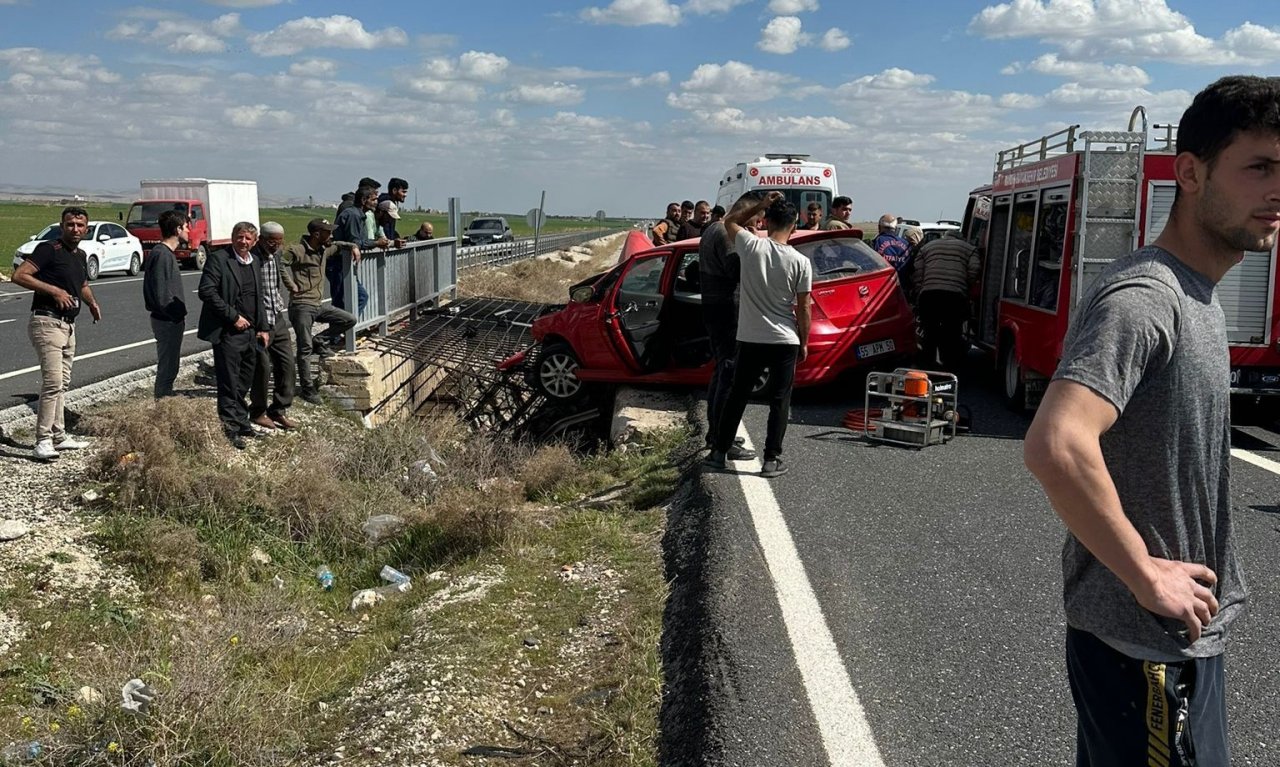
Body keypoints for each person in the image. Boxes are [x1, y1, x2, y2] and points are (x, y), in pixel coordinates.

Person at [1024, 74, 1280, 767]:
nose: (1277, 189)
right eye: (1259, 167)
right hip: (1145, 651)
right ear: (1190, 173)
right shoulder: (1146, 297)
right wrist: (1143, 573)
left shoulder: (1197, 292)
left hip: (1174, 642)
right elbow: (1056, 443)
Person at [705, 192, 812, 479]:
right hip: (784, 340)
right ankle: (771, 460)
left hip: (750, 337)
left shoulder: (751, 246)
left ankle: (718, 454)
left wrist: (760, 204)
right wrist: (805, 340)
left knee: (737, 396)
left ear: (766, 222)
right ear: (794, 226)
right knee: (779, 401)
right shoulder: (801, 262)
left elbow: (730, 221)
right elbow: (803, 307)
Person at [10, 206, 101, 460]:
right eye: (70, 224)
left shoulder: (80, 255)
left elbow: (82, 284)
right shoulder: (49, 250)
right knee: (52, 384)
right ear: (62, 226)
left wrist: (92, 303)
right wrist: (55, 291)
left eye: (80, 225)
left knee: (62, 384)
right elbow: (20, 275)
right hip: (46, 323)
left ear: (86, 228)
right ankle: (43, 441)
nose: (75, 229)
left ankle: (59, 436)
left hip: (68, 327)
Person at [197, 221, 273, 449]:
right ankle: (229, 428)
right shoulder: (219, 259)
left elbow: (258, 297)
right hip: (228, 332)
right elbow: (206, 291)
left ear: (255, 241)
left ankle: (242, 422)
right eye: (240, 237)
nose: (243, 242)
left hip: (251, 332)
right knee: (228, 382)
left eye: (248, 238)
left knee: (244, 380)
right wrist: (233, 317)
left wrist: (263, 327)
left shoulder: (254, 261)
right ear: (232, 237)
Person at [699, 195, 758, 463]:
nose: (757, 224)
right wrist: (753, 244)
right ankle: (721, 440)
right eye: (755, 218)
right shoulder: (725, 233)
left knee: (721, 372)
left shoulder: (713, 228)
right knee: (729, 375)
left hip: (715, 307)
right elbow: (736, 269)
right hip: (727, 309)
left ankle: (718, 433)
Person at [282, 218, 357, 404]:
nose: (331, 235)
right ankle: (308, 389)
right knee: (304, 348)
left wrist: (353, 246)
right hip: (301, 306)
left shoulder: (325, 248)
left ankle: (320, 340)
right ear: (316, 234)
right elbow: (280, 265)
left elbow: (339, 245)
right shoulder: (297, 250)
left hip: (318, 304)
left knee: (349, 320)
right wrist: (290, 284)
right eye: (328, 232)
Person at [246, 221, 297, 430]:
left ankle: (279, 409)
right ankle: (258, 411)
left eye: (279, 242)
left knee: (287, 364)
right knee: (263, 368)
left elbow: (279, 275)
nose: (275, 245)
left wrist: (290, 286)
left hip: (276, 316)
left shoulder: (275, 256)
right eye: (271, 241)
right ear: (261, 239)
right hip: (259, 320)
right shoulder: (252, 258)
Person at [911, 231, 979, 370]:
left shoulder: (927, 247)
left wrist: (920, 289)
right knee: (952, 332)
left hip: (929, 295)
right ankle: (950, 367)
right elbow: (975, 268)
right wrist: (965, 284)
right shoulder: (969, 249)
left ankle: (928, 367)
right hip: (955, 296)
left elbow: (917, 270)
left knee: (929, 332)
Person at [142, 209, 189, 398]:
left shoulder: (164, 253)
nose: (188, 231)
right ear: (178, 229)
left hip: (169, 319)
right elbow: (162, 294)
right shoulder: (162, 255)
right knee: (168, 367)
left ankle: (164, 400)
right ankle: (162, 406)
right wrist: (174, 314)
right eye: (186, 227)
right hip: (167, 320)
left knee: (171, 365)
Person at [331, 186, 387, 317]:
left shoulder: (357, 215)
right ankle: (336, 334)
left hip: (343, 263)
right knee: (347, 300)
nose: (376, 203)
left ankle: (342, 332)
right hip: (339, 263)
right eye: (373, 200)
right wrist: (376, 243)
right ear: (363, 200)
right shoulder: (354, 215)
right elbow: (355, 242)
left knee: (347, 300)